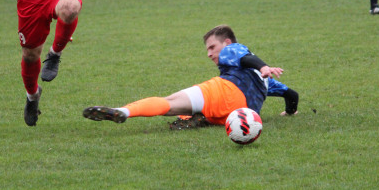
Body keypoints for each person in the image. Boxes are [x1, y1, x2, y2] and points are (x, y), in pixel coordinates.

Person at [83, 25, 299, 129]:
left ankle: (123, 111)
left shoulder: (232, 49)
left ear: (227, 43)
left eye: (212, 47)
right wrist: (290, 111)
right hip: (240, 115)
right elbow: (292, 95)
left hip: (225, 92)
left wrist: (263, 65)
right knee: (192, 112)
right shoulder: (267, 82)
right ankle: (199, 119)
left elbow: (245, 58)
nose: (209, 54)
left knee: (170, 103)